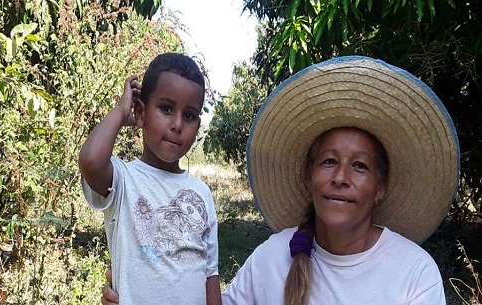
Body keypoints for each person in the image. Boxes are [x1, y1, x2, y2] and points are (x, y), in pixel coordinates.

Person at [100, 56, 460, 305]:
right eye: (329, 161)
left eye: (360, 167)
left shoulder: (414, 273)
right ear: (309, 177)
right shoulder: (273, 258)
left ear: (380, 187)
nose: (340, 178)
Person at [79, 52, 221, 305]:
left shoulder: (202, 193)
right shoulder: (123, 180)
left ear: (197, 126)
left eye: (189, 115)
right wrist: (121, 112)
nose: (177, 124)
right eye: (166, 109)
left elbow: (210, 275)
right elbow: (90, 161)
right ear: (141, 113)